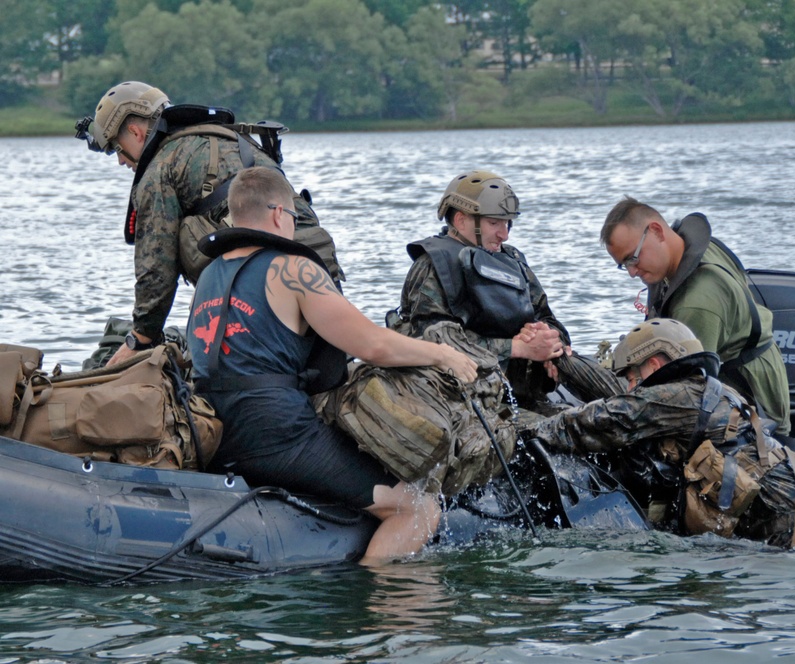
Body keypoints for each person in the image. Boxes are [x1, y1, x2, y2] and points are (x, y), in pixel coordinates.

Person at [186, 166, 479, 563]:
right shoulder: (293, 270)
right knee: (418, 508)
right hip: (275, 434)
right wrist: (444, 354)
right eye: (293, 216)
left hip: (211, 431)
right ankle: (383, 603)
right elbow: (373, 345)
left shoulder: (208, 274)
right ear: (277, 214)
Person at [77, 81, 344, 367]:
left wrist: (139, 339)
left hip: (263, 298)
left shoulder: (159, 169)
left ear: (135, 132)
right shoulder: (227, 138)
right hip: (324, 289)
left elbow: (155, 272)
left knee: (187, 233)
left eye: (117, 149)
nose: (120, 161)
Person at [524, 318, 795, 548]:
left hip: (791, 535)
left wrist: (525, 429)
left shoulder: (674, 398)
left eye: (633, 378)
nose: (631, 388)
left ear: (653, 363)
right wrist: (565, 363)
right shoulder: (710, 392)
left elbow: (600, 420)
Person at [601, 197, 792, 436]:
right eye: (623, 265)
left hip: (756, 403)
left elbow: (685, 399)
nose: (631, 273)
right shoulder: (688, 247)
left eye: (632, 258)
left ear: (657, 232)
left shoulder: (697, 303)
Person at [388, 170, 574, 408]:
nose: (504, 234)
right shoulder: (434, 267)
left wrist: (549, 338)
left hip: (522, 397)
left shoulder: (513, 262)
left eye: (507, 223)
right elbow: (431, 343)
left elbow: (548, 317)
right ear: (461, 220)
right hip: (463, 406)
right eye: (494, 223)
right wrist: (517, 348)